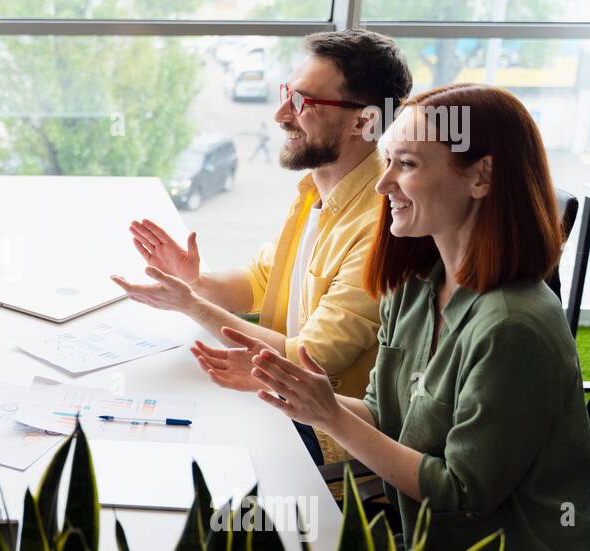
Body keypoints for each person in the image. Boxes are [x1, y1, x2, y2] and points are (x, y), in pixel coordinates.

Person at [217, 84, 590, 551]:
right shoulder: (418, 283)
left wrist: (328, 415)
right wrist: (294, 389)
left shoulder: (514, 328)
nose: (382, 186)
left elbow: (461, 491)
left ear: (481, 178)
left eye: (405, 165)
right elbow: (384, 413)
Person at [113, 29, 413, 464]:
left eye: (303, 102)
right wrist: (195, 280)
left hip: (319, 440)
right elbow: (258, 281)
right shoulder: (314, 191)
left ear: (364, 121)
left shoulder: (382, 224)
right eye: (287, 93)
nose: (280, 114)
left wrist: (191, 304)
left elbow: (309, 359)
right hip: (275, 400)